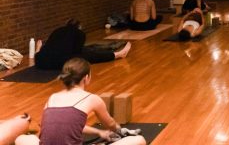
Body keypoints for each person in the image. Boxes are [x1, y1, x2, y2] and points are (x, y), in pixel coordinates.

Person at [15, 58, 145, 145]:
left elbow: (65, 125)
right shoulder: (92, 99)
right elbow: (110, 124)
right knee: (139, 140)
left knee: (21, 139)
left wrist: (99, 132)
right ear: (86, 78)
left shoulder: (52, 97)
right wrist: (120, 131)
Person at [35, 19, 131, 70]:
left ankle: (38, 50)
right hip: (61, 63)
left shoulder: (57, 30)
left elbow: (51, 45)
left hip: (41, 61)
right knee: (88, 55)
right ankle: (118, 54)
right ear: (79, 27)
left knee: (46, 52)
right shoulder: (79, 33)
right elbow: (77, 52)